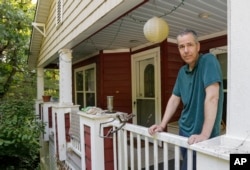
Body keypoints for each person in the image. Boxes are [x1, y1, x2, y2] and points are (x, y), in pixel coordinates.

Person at [148, 29, 224, 170]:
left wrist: (204, 134)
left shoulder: (208, 61)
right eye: (181, 47)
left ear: (198, 46)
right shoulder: (182, 72)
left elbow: (213, 97)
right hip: (184, 131)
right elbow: (174, 99)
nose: (186, 50)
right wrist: (162, 125)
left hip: (204, 134)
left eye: (190, 45)